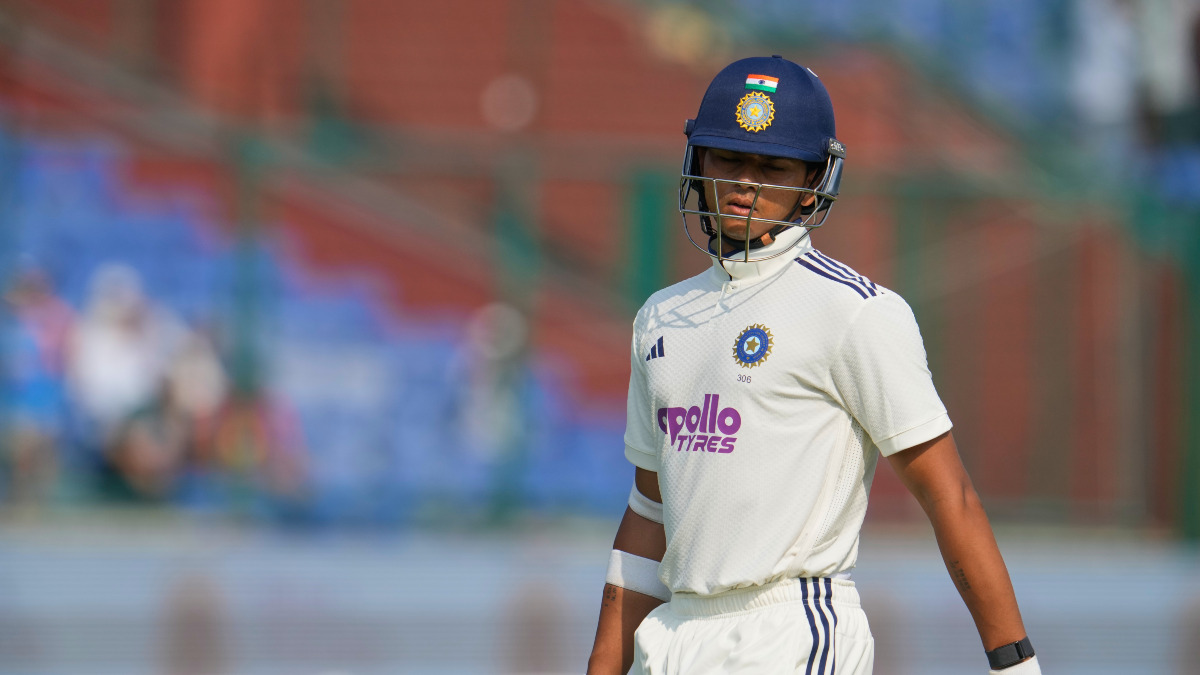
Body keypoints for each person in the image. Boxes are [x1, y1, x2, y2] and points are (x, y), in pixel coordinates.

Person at [586, 56, 1040, 675]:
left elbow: (950, 496)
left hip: (793, 632)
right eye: (728, 159)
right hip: (675, 640)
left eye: (773, 167)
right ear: (697, 163)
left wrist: (1015, 664)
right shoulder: (662, 319)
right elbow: (648, 516)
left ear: (812, 180)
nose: (745, 184)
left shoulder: (855, 311)